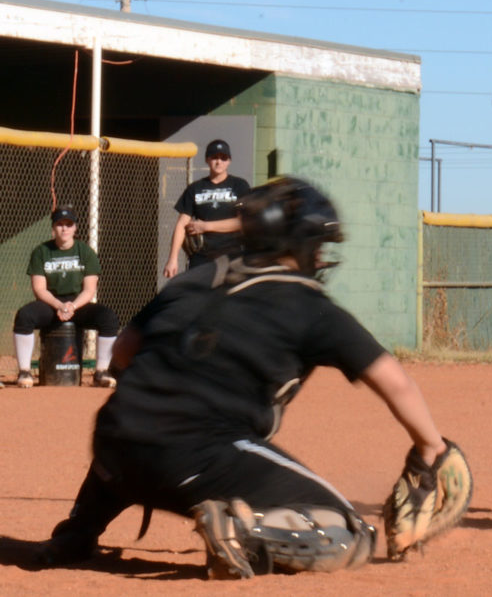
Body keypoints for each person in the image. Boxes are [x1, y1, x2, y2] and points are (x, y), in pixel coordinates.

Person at [35, 177, 452, 578]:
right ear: (299, 244)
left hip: (113, 444)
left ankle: (78, 531)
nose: (321, 257)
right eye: (318, 245)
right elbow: (396, 382)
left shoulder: (197, 277)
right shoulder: (310, 304)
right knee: (351, 533)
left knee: (133, 417)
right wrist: (431, 445)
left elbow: (123, 350)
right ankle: (245, 531)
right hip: (198, 460)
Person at [12, 206, 119, 389]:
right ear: (53, 227)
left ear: (75, 228)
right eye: (60, 224)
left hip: (77, 303)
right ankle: (24, 372)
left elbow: (89, 290)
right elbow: (39, 288)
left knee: (108, 317)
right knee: (24, 316)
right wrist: (58, 305)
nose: (64, 229)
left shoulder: (85, 251)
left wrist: (72, 306)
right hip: (50, 303)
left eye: (69, 224)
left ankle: (101, 372)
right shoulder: (41, 251)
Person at [163, 139, 251, 278]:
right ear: (207, 160)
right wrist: (172, 259)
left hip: (230, 254)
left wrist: (206, 226)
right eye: (214, 157)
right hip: (201, 255)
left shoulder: (239, 186)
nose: (219, 162)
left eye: (223, 158)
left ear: (229, 161)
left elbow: (242, 222)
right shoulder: (195, 188)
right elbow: (181, 224)